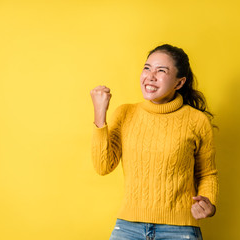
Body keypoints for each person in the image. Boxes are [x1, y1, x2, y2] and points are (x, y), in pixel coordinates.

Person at [90, 44, 219, 240]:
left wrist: (208, 203)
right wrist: (100, 113)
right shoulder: (125, 114)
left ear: (179, 82)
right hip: (128, 228)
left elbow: (207, 174)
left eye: (161, 71)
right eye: (147, 68)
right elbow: (103, 166)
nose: (150, 76)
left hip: (179, 230)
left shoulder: (197, 121)